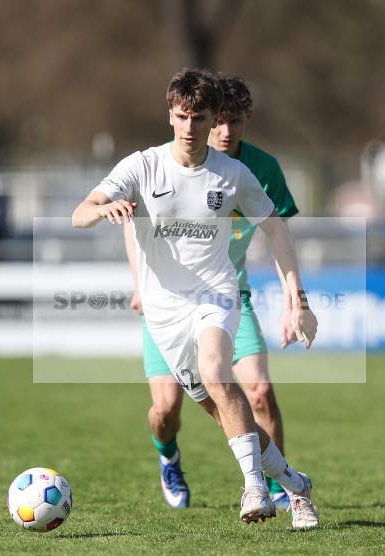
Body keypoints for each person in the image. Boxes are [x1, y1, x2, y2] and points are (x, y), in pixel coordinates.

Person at [73, 68, 319, 529]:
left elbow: (277, 230)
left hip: (215, 293)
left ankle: (253, 487)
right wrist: (103, 208)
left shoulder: (233, 174)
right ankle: (295, 483)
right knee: (222, 409)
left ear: (212, 120)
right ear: (170, 115)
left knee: (217, 371)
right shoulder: (141, 166)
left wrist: (298, 301)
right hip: (164, 312)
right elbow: (79, 213)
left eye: (199, 117)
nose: (190, 126)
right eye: (182, 116)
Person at [125, 75, 299, 512]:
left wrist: (297, 302)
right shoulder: (158, 165)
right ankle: (170, 457)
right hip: (166, 302)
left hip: (225, 296)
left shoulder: (253, 170)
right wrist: (139, 285)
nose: (220, 131)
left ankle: (274, 490)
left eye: (229, 122)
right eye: (212, 122)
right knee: (167, 409)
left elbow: (279, 232)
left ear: (243, 121)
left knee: (253, 390)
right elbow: (131, 221)